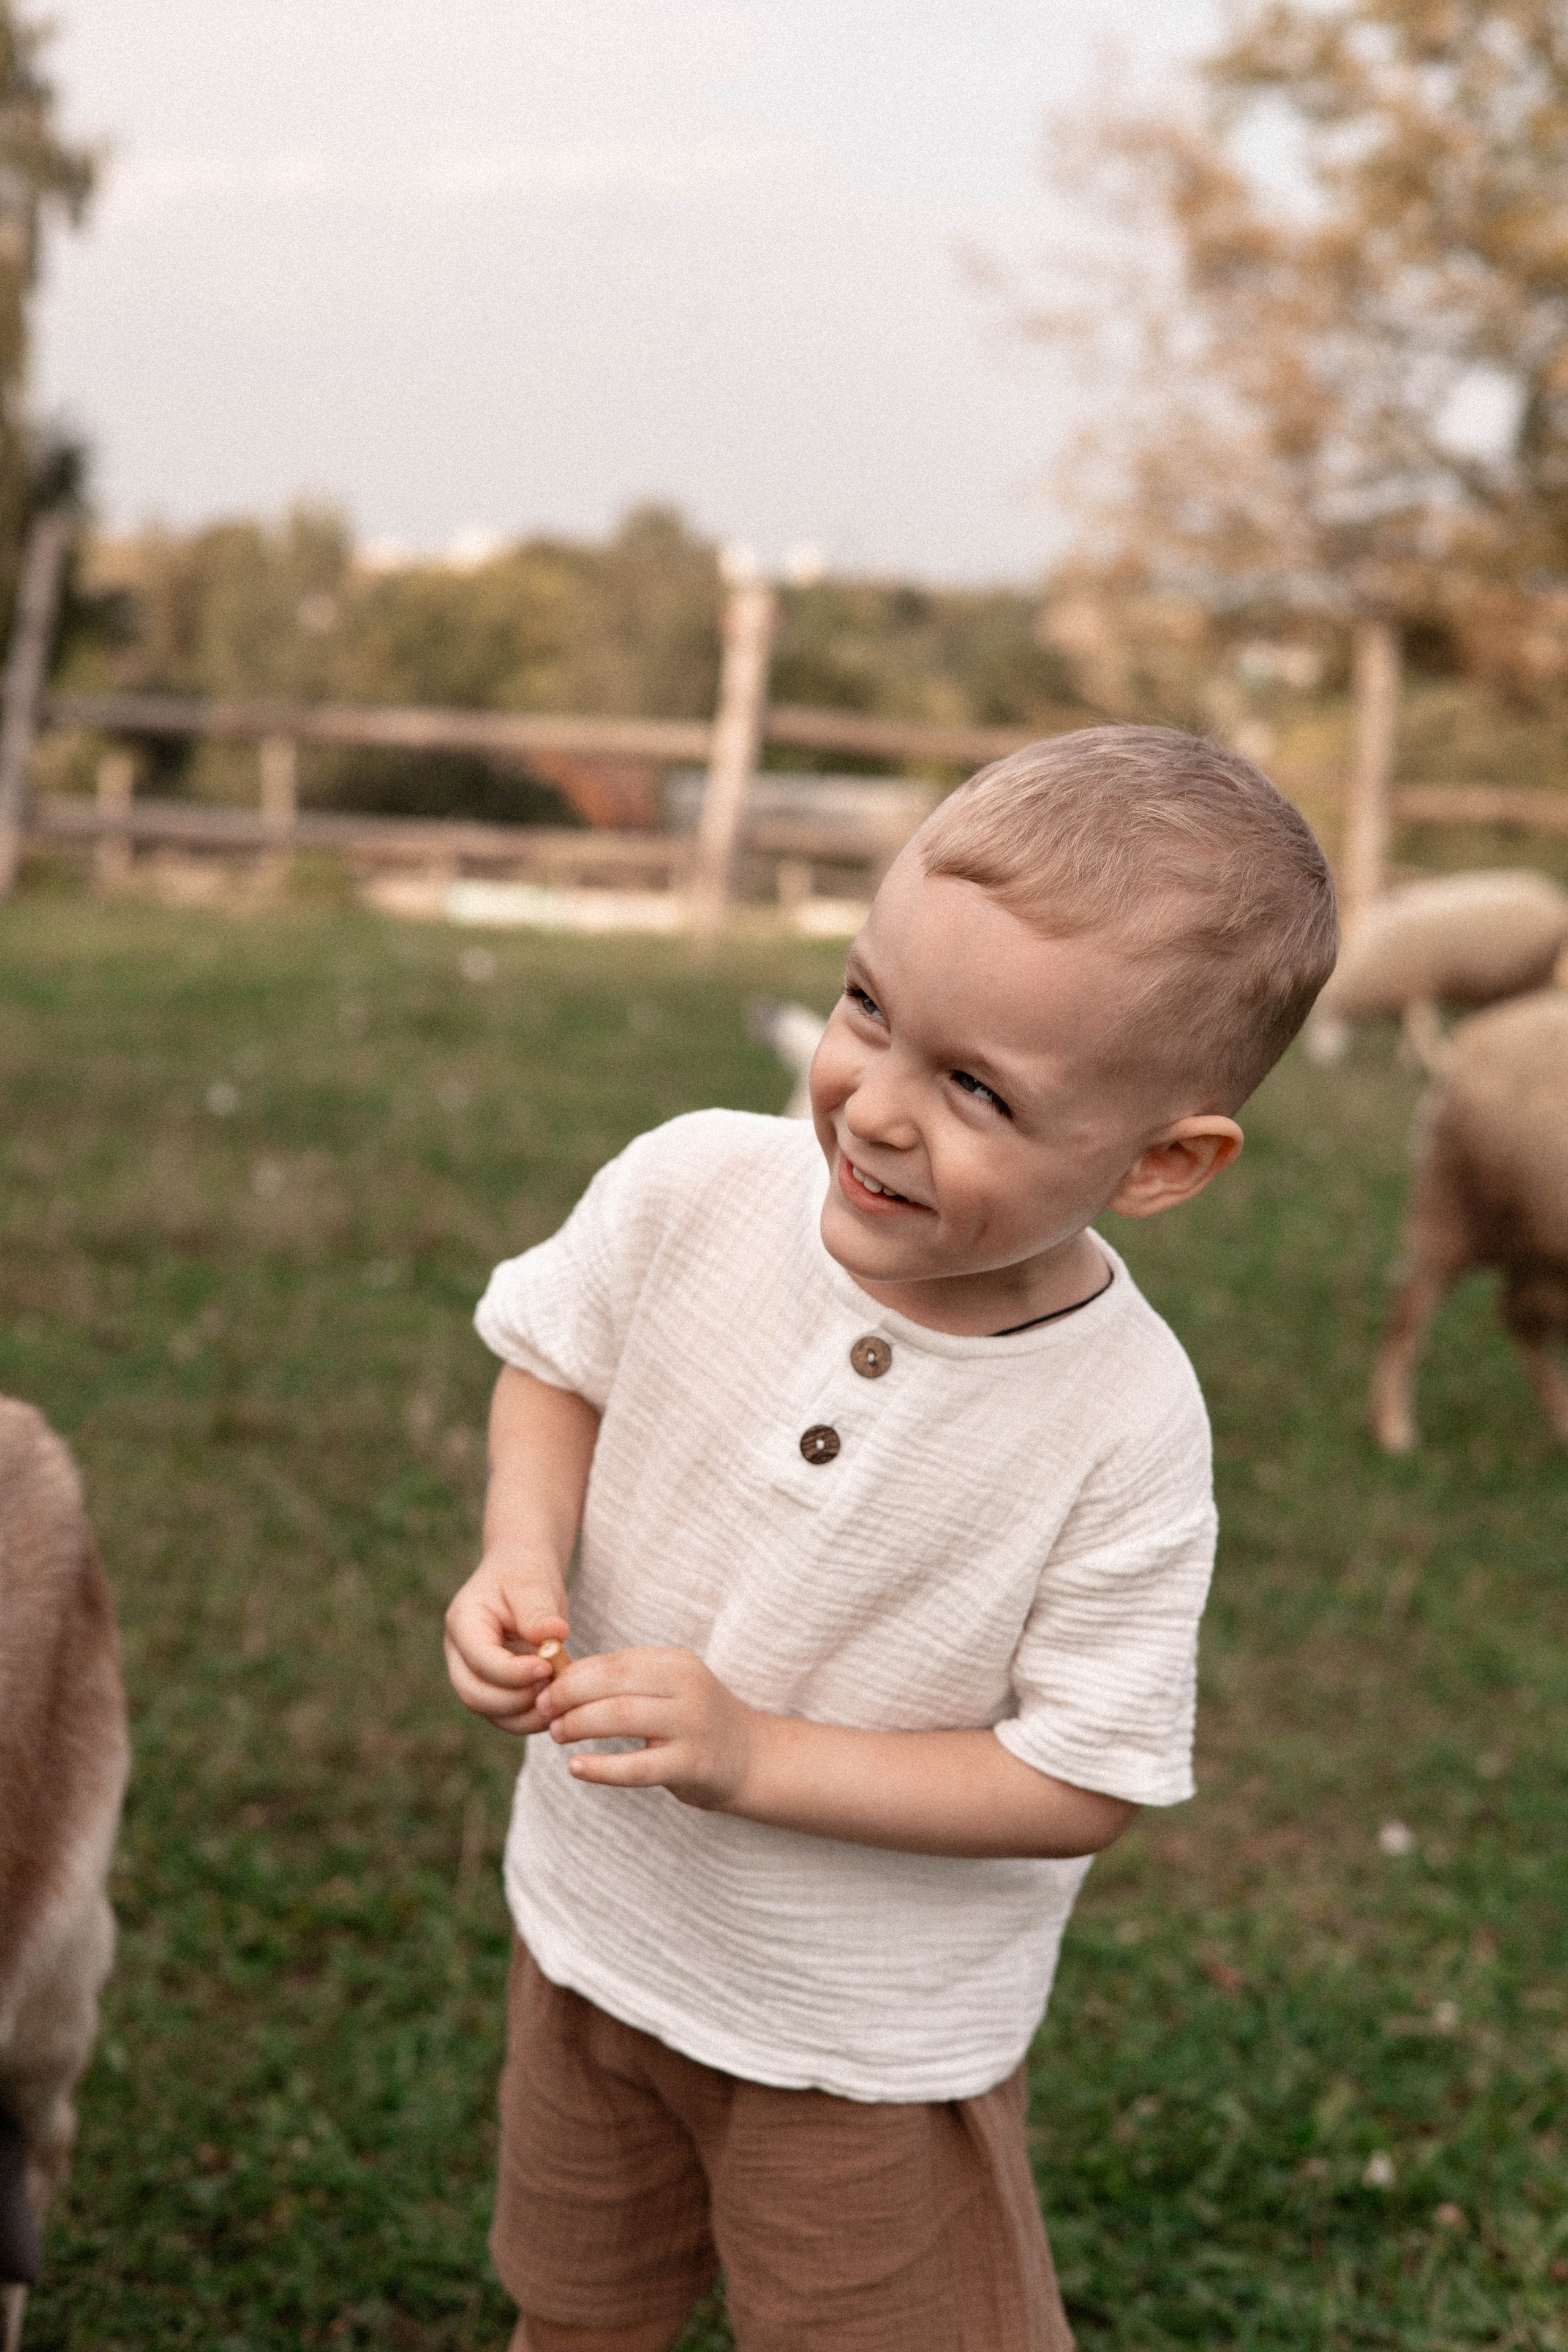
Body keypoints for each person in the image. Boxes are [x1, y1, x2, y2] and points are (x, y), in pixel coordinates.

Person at [444, 725, 1339, 2352]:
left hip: (857, 2035)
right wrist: (521, 1550)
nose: (878, 1106)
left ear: (1161, 1162)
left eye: (979, 1087)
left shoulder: (1124, 1423)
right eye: (869, 1009)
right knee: (576, 2313)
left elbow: (1082, 1780)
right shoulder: (695, 1187)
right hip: (597, 1935)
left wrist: (755, 1754)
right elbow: (556, 1365)